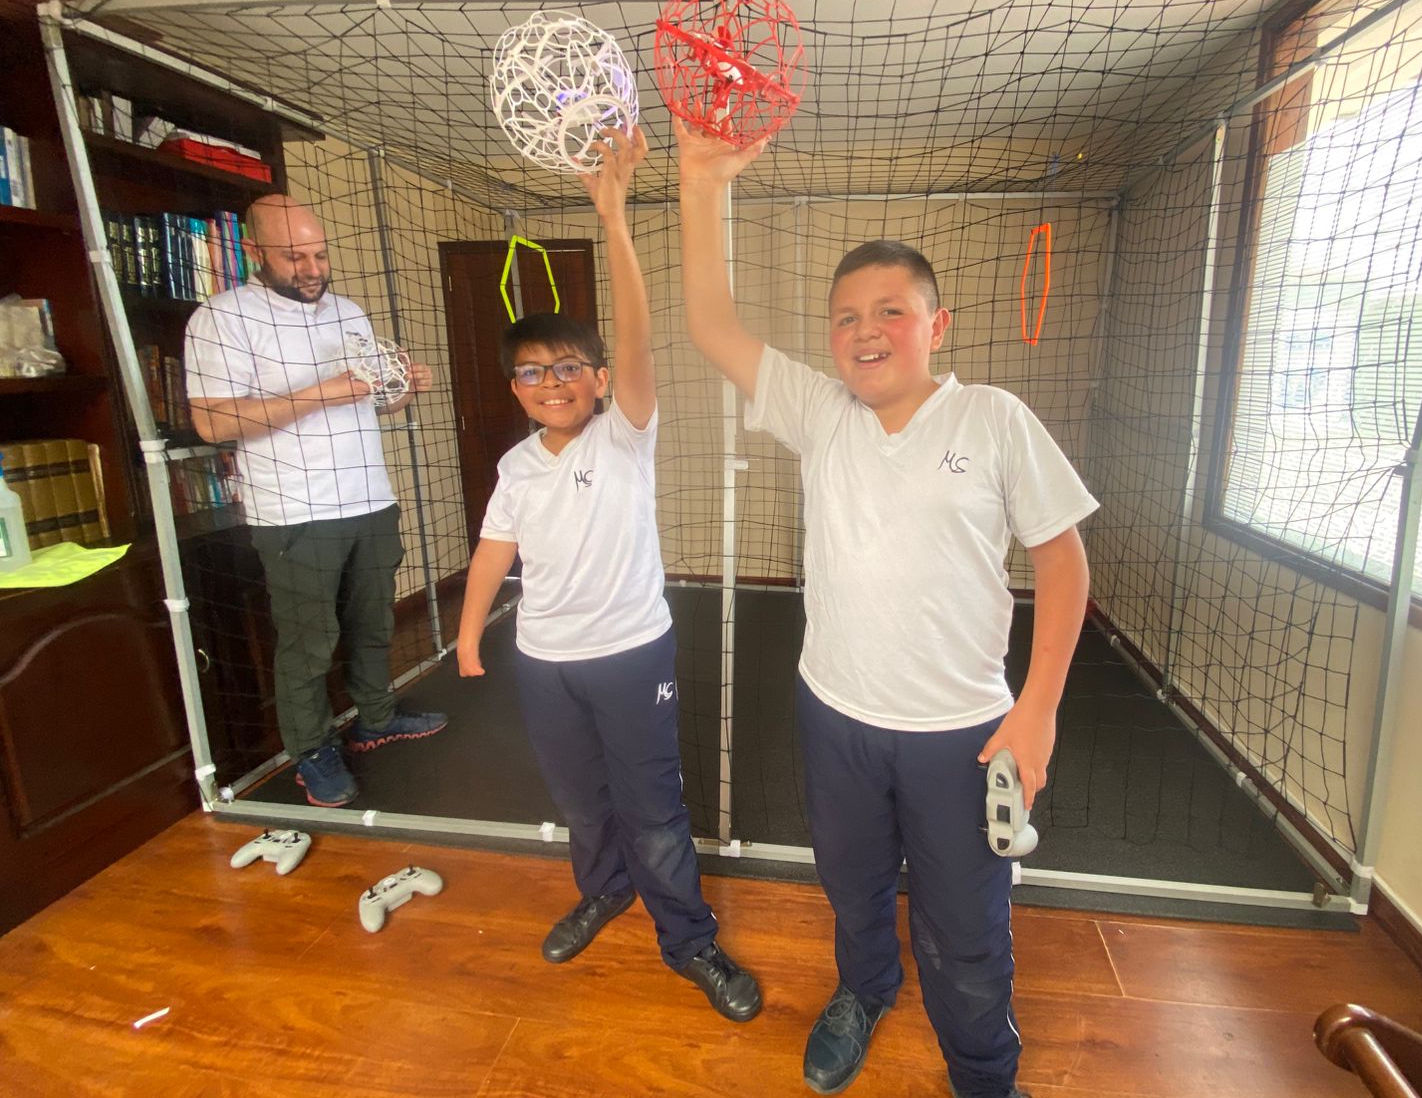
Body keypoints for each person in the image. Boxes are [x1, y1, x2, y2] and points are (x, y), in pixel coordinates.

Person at [676, 118, 1096, 1098]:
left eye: (891, 310)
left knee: (965, 927)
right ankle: (863, 990)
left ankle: (984, 1073)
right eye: (846, 316)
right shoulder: (821, 413)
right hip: (836, 718)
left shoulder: (991, 417)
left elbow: (1065, 565)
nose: (865, 330)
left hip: (962, 734)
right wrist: (702, 186)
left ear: (935, 324)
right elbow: (711, 326)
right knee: (855, 892)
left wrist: (1033, 709)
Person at [455, 127, 761, 1023]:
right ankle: (603, 890)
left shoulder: (626, 434)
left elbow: (637, 338)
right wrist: (471, 633)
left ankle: (690, 941)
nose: (550, 381)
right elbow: (493, 554)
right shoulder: (517, 468)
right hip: (546, 663)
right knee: (584, 804)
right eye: (530, 372)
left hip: (630, 655)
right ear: (514, 389)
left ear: (594, 380)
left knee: (653, 808)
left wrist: (614, 219)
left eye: (566, 368)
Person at [185, 194, 446, 809]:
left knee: (372, 623)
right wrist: (319, 394)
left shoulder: (349, 313)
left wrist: (403, 389)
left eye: (319, 253)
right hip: (293, 513)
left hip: (370, 499)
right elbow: (211, 423)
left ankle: (376, 719)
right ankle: (311, 752)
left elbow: (373, 401)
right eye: (293, 255)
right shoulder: (221, 318)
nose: (311, 267)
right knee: (308, 642)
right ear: (253, 252)